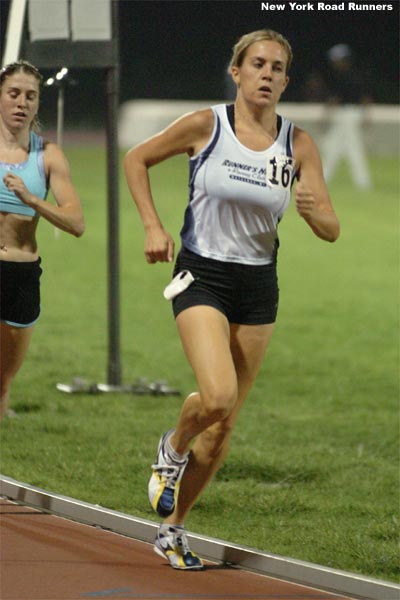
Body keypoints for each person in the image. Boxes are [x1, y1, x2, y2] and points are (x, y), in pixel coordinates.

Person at [124, 29, 340, 571]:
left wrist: (315, 213)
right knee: (216, 396)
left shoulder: (298, 143)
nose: (266, 74)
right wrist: (152, 225)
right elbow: (136, 159)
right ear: (237, 71)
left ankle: (172, 530)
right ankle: (172, 448)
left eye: (276, 68)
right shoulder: (207, 125)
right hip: (202, 276)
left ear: (286, 81)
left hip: (258, 286)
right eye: (257, 64)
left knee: (222, 431)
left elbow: (331, 227)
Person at [0, 60, 85, 420]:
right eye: (14, 93)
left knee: (3, 383)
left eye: (30, 96)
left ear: (37, 103)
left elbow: (77, 222)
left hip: (21, 275)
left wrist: (32, 199)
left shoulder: (48, 155)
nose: (22, 102)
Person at [321, 43, 373, 189]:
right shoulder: (356, 74)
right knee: (335, 146)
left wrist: (326, 113)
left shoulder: (344, 75)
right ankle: (325, 176)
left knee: (351, 147)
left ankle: (363, 181)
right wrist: (366, 114)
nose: (334, 63)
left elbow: (337, 98)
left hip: (347, 114)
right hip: (351, 114)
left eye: (336, 60)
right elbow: (366, 96)